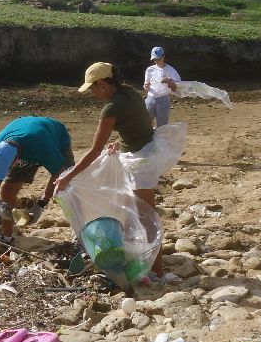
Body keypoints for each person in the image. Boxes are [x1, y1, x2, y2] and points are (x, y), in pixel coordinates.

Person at [56, 62, 179, 278]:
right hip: (147, 151)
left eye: (92, 87)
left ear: (102, 83)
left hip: (141, 163)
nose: (92, 93)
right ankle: (146, 262)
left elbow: (94, 151)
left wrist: (68, 177)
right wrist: (121, 142)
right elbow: (139, 123)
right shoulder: (129, 92)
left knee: (146, 217)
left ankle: (157, 271)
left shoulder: (111, 107)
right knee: (136, 211)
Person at [0, 117, 74, 244]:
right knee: (7, 190)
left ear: (16, 160)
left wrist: (42, 203)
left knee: (70, 186)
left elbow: (60, 173)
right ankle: (7, 238)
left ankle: (80, 232)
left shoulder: (41, 146)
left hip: (56, 138)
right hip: (26, 141)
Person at [143, 46, 181, 127]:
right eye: (154, 59)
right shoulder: (150, 69)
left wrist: (170, 82)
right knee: (145, 124)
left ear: (163, 57)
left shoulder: (171, 70)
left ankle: (160, 139)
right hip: (150, 99)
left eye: (158, 59)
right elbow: (146, 87)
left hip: (163, 99)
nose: (156, 61)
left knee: (162, 126)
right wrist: (146, 86)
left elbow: (178, 85)